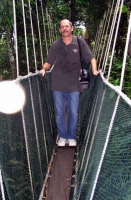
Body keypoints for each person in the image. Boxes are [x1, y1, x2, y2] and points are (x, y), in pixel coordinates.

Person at [40, 19, 99, 147]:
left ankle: (71, 137)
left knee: (73, 112)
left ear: (72, 28)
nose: (65, 29)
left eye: (67, 26)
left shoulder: (79, 42)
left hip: (74, 85)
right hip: (58, 85)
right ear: (60, 30)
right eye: (62, 27)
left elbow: (91, 58)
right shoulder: (56, 45)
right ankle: (62, 136)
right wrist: (44, 68)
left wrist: (94, 69)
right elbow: (49, 62)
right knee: (60, 112)